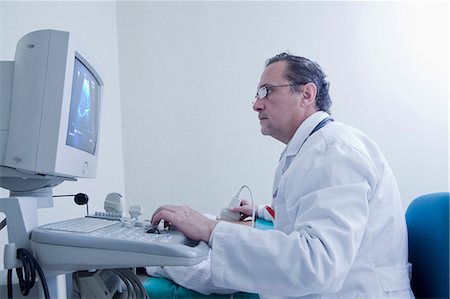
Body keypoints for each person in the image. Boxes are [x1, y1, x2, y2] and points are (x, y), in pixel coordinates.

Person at [151, 53, 414, 298]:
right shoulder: (312, 149)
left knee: (180, 267)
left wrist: (211, 230)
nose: (256, 104)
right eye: (255, 95)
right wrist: (263, 211)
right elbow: (310, 212)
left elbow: (318, 264)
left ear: (307, 94)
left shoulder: (334, 150)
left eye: (266, 91)